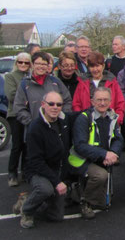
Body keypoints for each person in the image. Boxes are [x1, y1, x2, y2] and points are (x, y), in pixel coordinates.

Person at [16, 91, 72, 229]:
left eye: (59, 104)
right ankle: (26, 209)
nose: (55, 107)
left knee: (57, 217)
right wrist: (57, 182)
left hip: (55, 170)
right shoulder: (35, 128)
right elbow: (35, 162)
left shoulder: (63, 122)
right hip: (37, 171)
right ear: (43, 105)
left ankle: (31, 199)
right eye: (51, 104)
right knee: (45, 189)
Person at [68, 87, 123, 218]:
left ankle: (83, 192)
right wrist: (104, 154)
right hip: (81, 159)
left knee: (103, 203)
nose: (102, 103)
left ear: (110, 101)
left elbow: (119, 139)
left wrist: (114, 153)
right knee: (101, 175)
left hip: (100, 158)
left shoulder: (112, 117)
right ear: (92, 101)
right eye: (99, 100)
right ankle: (85, 201)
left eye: (105, 100)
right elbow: (80, 146)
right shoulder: (84, 118)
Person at [15, 51, 72, 127]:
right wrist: (31, 123)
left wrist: (62, 117)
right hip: (34, 129)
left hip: (56, 127)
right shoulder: (25, 84)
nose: (41, 66)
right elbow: (18, 107)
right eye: (38, 63)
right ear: (32, 65)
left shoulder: (55, 82)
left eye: (44, 64)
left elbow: (67, 100)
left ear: (48, 66)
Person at [72, 51, 125, 125]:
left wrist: (118, 120)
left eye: (97, 66)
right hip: (87, 123)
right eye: (92, 66)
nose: (95, 69)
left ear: (103, 66)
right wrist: (81, 119)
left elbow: (120, 103)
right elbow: (76, 104)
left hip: (109, 122)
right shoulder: (82, 82)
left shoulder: (112, 81)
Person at [4, 52, 31, 187]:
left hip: (29, 114)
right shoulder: (10, 76)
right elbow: (11, 95)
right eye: (20, 62)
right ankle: (12, 173)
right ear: (16, 63)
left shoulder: (30, 77)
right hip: (15, 115)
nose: (23, 65)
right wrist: (28, 100)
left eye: (26, 62)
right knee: (17, 145)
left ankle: (25, 172)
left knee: (27, 145)